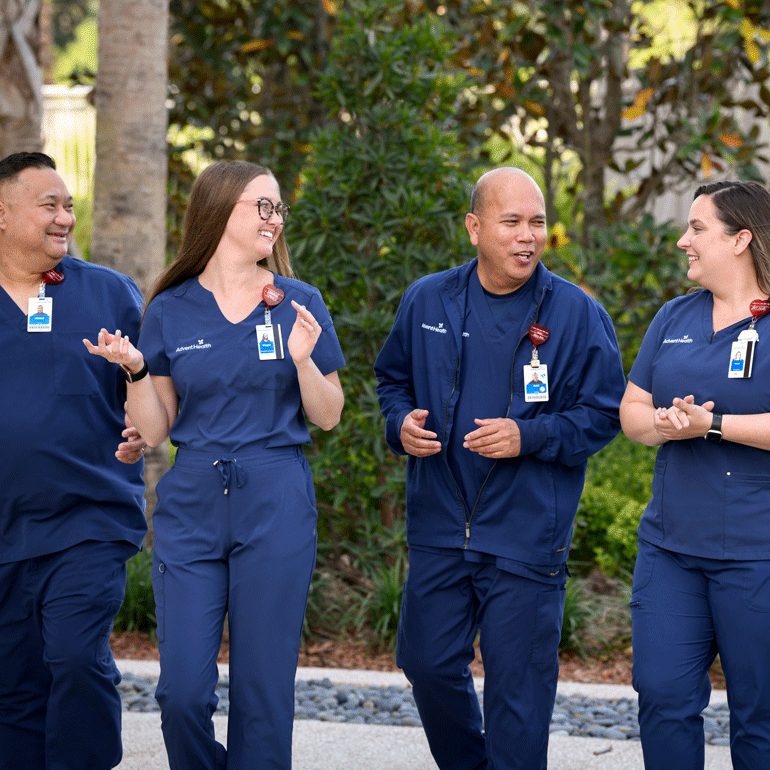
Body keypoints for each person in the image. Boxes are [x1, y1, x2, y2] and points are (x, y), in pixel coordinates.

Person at [85, 159, 345, 770]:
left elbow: (329, 414)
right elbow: (153, 430)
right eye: (262, 206)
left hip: (276, 495)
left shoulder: (298, 301)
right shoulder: (171, 308)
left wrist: (304, 360)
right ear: (219, 209)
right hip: (195, 500)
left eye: (278, 208)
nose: (274, 219)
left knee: (263, 691)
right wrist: (135, 369)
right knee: (180, 693)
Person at [374, 167, 626, 769]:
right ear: (474, 228)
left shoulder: (574, 313)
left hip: (526, 533)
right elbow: (392, 379)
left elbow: (605, 413)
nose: (526, 236)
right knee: (427, 664)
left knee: (517, 693)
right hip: (440, 525)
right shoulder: (427, 298)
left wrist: (528, 435)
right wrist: (400, 423)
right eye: (511, 222)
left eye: (537, 223)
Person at [0, 151, 147, 770]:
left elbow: (159, 386)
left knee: (76, 658)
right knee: (13, 681)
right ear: (3, 214)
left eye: (68, 205)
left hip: (88, 518)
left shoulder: (108, 292)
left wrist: (143, 413)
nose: (64, 217)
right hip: (6, 529)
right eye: (49, 205)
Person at [619, 180, 770, 770]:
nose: (684, 241)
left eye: (697, 229)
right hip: (670, 548)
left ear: (742, 240)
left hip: (756, 554)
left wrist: (711, 425)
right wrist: (661, 423)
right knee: (661, 695)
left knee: (759, 714)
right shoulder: (673, 316)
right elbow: (631, 411)